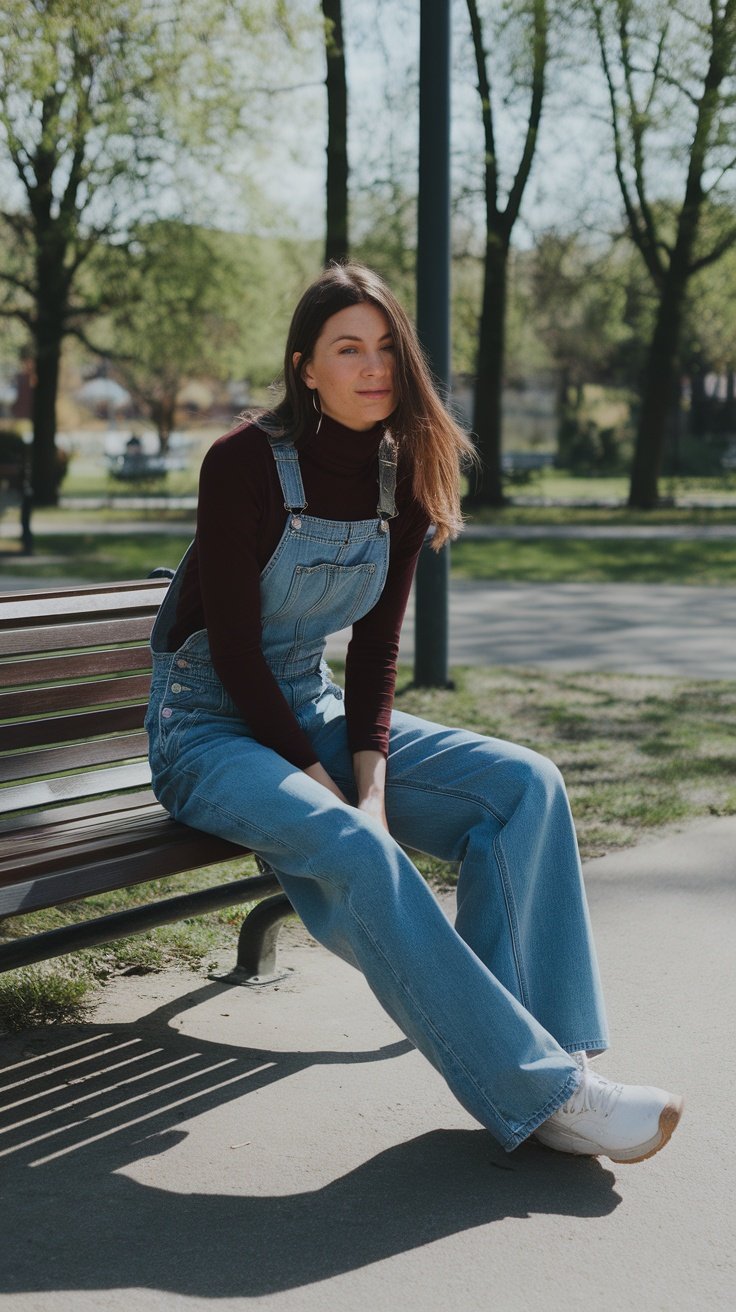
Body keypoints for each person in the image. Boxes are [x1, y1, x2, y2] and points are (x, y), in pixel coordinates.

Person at [146, 262, 683, 1163]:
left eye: (388, 346)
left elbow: (376, 654)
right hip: (207, 729)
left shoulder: (402, 469)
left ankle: (557, 1066)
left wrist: (375, 788)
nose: (373, 366)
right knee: (354, 845)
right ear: (304, 368)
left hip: (309, 703)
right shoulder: (241, 463)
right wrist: (331, 792)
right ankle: (543, 1091)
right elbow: (235, 655)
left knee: (525, 785)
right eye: (347, 348)